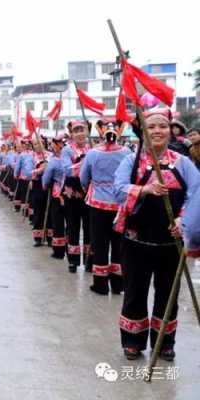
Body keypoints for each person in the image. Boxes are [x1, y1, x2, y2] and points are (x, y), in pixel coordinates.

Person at [113, 109, 200, 361]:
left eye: (163, 126)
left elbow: (196, 194)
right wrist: (145, 189)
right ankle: (133, 341)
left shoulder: (182, 162)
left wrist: (184, 219)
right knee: (135, 292)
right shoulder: (131, 161)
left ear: (170, 130)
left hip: (171, 242)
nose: (157, 131)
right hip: (136, 240)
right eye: (151, 127)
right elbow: (118, 190)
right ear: (143, 131)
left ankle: (164, 342)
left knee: (167, 295)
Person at [80, 120, 131, 295]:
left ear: (102, 133)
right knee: (118, 244)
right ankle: (118, 284)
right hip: (120, 204)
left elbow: (83, 177)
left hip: (98, 204)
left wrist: (89, 187)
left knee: (100, 244)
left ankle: (100, 284)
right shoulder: (127, 153)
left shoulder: (93, 153)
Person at [61, 120, 92, 273]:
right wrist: (86, 163)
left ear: (87, 132)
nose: (80, 133)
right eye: (76, 130)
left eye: (82, 130)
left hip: (88, 193)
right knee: (73, 226)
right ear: (72, 134)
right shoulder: (67, 150)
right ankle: (73, 261)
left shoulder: (92, 148)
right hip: (72, 193)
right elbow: (67, 170)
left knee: (89, 227)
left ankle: (89, 260)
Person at [42, 134, 67, 259]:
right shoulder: (72, 158)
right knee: (72, 223)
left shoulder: (54, 161)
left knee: (58, 223)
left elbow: (46, 179)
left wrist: (45, 186)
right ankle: (70, 249)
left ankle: (59, 251)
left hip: (57, 193)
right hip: (70, 193)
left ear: (58, 145)